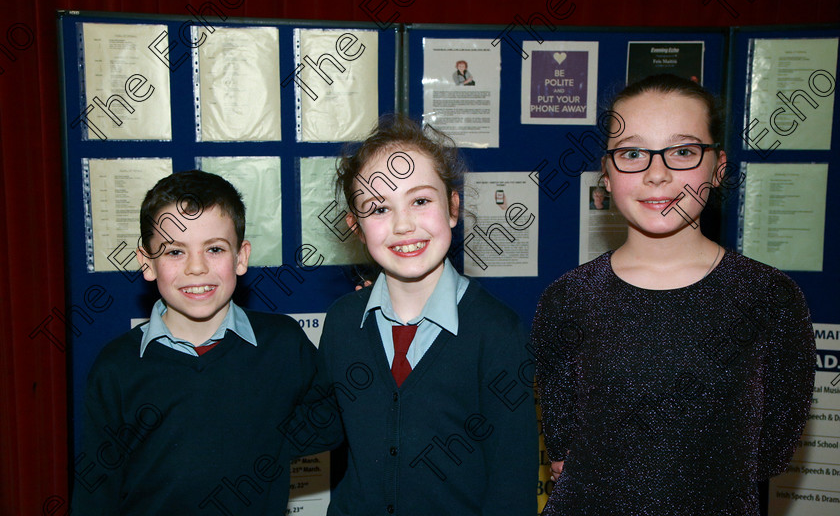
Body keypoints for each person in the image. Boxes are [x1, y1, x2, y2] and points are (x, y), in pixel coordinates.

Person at [531, 74, 815, 515]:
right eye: (632, 153)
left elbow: (774, 452)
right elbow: (563, 454)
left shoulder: (770, 298)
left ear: (719, 167)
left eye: (683, 151)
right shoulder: (565, 300)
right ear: (605, 175)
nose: (656, 173)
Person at [72, 170, 340, 515]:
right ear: (147, 262)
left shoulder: (283, 343)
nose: (196, 268)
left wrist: (259, 441)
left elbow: (332, 423)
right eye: (174, 252)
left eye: (214, 249)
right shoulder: (116, 367)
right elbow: (95, 492)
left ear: (241, 257)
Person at [319, 114, 536, 515]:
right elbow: (322, 430)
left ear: (452, 206)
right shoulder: (344, 323)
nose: (403, 225)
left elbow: (513, 481)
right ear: (356, 227)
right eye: (378, 208)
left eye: (420, 201)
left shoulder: (498, 332)